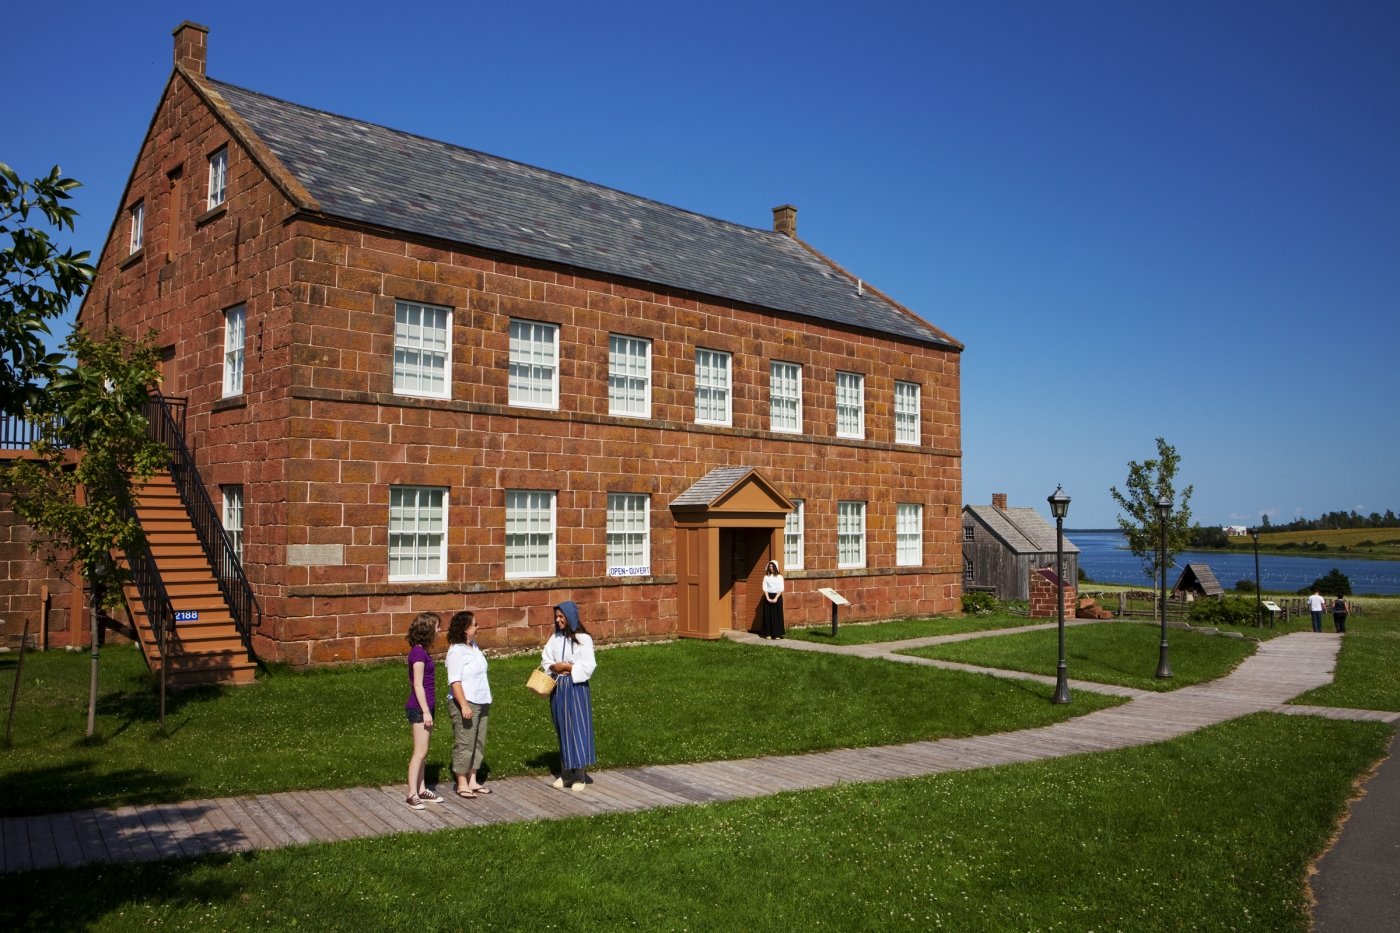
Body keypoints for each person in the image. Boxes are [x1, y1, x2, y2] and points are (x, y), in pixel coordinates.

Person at [541, 600, 596, 792]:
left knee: (577, 728)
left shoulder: (583, 639)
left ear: (570, 617)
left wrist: (568, 667)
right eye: (556, 616)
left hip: (576, 686)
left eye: (561, 616)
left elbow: (589, 665)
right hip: (559, 687)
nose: (558, 620)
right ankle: (565, 773)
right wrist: (553, 667)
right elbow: (546, 657)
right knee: (562, 727)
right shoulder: (555, 638)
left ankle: (579, 774)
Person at [446, 610, 493, 798]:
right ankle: (462, 782)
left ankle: (473, 779)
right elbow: (455, 681)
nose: (478, 627)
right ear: (465, 629)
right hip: (466, 702)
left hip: (482, 700)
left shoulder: (474, 646)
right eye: (475, 624)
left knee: (478, 742)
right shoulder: (456, 651)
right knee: (465, 742)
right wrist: (464, 705)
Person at [404, 611, 443, 810]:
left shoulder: (423, 651)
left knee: (424, 750)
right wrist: (426, 711)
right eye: (437, 626)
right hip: (419, 709)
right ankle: (412, 793)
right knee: (419, 751)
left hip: (426, 707)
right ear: (428, 629)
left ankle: (421, 788)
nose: (439, 630)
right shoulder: (418, 653)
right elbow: (418, 685)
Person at [760, 560, 785, 639]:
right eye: (769, 566)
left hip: (777, 596)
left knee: (777, 615)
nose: (771, 568)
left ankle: (777, 634)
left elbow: (780, 589)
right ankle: (768, 633)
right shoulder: (766, 577)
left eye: (772, 566)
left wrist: (775, 598)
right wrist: (767, 598)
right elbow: (765, 588)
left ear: (775, 567)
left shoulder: (780, 577)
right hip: (768, 596)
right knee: (768, 615)